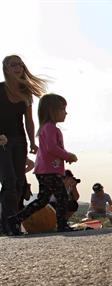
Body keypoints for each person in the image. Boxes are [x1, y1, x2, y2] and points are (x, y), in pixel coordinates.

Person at [7, 93, 78, 235]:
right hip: (48, 171)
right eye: (63, 109)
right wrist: (68, 155)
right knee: (62, 197)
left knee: (42, 200)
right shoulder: (50, 128)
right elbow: (51, 148)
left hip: (45, 170)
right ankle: (62, 225)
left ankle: (16, 219)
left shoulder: (49, 128)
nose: (66, 113)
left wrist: (65, 157)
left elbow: (52, 149)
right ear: (53, 111)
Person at [0, 55, 46, 235]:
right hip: (1, 141)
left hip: (20, 141)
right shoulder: (0, 89)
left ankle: (13, 222)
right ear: (6, 68)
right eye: (13, 65)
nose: (18, 68)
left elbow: (29, 120)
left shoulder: (25, 92)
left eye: (20, 64)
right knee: (9, 182)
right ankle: (8, 225)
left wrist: (33, 142)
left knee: (19, 183)